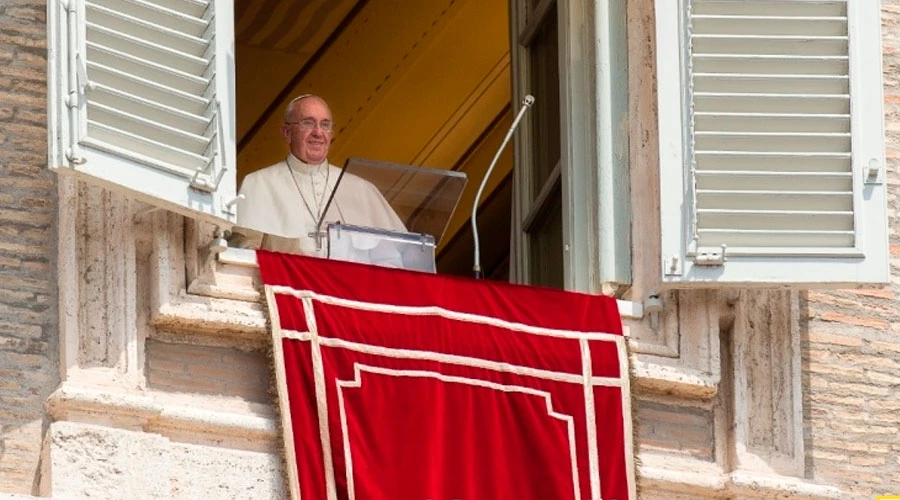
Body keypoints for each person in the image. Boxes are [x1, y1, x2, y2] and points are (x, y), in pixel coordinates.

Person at [231, 95, 406, 260]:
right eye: (308, 123)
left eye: (325, 125)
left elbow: (393, 260)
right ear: (287, 133)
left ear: (331, 134)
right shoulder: (259, 183)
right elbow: (243, 255)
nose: (318, 132)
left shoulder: (362, 190)